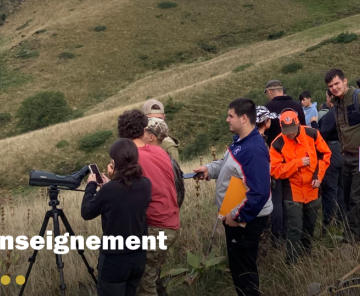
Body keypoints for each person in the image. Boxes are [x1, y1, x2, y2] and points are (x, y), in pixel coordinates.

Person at [193, 99, 272, 296]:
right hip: (238, 214)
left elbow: (260, 192)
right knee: (239, 267)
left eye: (231, 116)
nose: (227, 120)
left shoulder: (253, 151)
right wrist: (209, 169)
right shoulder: (241, 142)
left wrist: (237, 216)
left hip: (247, 219)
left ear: (243, 118)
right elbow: (228, 164)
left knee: (244, 272)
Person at [117, 110, 180, 296]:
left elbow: (123, 196)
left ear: (121, 134)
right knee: (150, 276)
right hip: (169, 223)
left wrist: (111, 180)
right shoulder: (160, 151)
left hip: (155, 226)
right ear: (144, 129)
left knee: (144, 285)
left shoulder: (131, 158)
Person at [82, 139, 151, 296]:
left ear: (113, 163)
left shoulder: (109, 190)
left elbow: (86, 212)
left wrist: (91, 186)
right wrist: (111, 182)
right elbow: (125, 194)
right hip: (138, 256)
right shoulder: (146, 184)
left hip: (115, 261)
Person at [326, 68, 360, 243]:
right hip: (347, 157)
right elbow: (341, 130)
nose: (334, 88)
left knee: (357, 199)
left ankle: (351, 239)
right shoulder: (337, 103)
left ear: (345, 81)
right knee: (349, 198)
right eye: (330, 86)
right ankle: (359, 234)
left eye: (337, 83)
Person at [269, 110, 331, 264]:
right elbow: (275, 170)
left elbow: (325, 155)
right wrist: (297, 163)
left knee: (310, 225)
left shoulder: (312, 134)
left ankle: (306, 256)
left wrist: (318, 177)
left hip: (313, 187)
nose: (290, 134)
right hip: (292, 191)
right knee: (295, 227)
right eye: (286, 130)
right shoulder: (277, 143)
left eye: (292, 129)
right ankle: (291, 262)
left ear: (298, 123)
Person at [263, 79, 306, 245]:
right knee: (293, 196)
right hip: (296, 158)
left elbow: (265, 135)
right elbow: (304, 131)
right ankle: (294, 232)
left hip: (276, 159)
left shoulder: (267, 109)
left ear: (270, 92)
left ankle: (277, 236)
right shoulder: (296, 106)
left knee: (277, 198)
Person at [318, 90, 346, 235]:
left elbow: (322, 135)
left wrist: (314, 125)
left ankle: (328, 224)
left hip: (332, 151)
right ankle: (342, 219)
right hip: (346, 151)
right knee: (342, 188)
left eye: (327, 97)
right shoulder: (346, 111)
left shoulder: (331, 114)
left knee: (330, 189)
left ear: (330, 98)